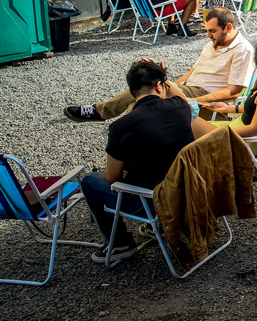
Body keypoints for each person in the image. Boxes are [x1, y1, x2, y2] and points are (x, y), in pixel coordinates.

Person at [80, 59, 195, 263]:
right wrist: (163, 77)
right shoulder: (180, 107)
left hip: (150, 201)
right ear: (159, 85)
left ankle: (120, 243)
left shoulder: (120, 127)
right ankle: (156, 227)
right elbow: (179, 95)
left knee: (90, 180)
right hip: (188, 191)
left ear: (131, 91)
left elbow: (111, 177)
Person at [64, 8, 255, 122]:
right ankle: (128, 126)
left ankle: (104, 112)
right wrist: (172, 85)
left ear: (228, 28)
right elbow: (192, 73)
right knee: (144, 95)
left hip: (208, 101)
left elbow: (233, 92)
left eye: (212, 31)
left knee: (148, 85)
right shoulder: (212, 44)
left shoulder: (242, 49)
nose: (207, 35)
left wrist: (193, 100)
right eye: (207, 31)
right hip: (189, 91)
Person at [192, 36, 257, 143]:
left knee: (188, 121)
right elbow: (256, 109)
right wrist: (227, 108)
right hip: (235, 131)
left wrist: (220, 134)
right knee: (188, 121)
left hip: (240, 141)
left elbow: (254, 129)